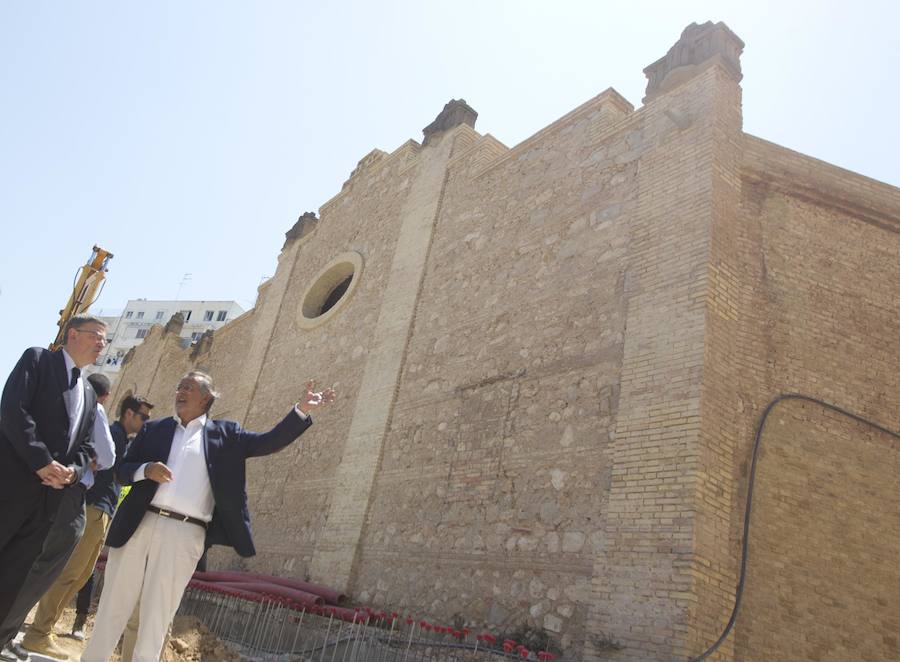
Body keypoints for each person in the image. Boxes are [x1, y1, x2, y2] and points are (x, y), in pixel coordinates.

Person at [81, 371, 336, 662]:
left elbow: (268, 442)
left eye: (187, 386)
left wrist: (302, 410)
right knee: (114, 604)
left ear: (206, 397)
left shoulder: (226, 435)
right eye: (178, 385)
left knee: (158, 614)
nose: (179, 390)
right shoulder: (154, 430)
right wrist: (145, 470)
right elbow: (120, 469)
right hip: (138, 524)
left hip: (185, 533)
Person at [0, 316, 106, 658]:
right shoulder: (38, 361)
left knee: (13, 578)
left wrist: (72, 474)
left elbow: (88, 448)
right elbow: (14, 412)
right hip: (11, 489)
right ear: (72, 334)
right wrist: (41, 461)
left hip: (47, 504)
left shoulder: (89, 393)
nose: (102, 344)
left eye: (105, 340)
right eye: (96, 337)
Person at [18, 392, 154, 659]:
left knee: (80, 577)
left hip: (101, 512)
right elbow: (102, 465)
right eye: (143, 416)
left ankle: (45, 628)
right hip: (92, 508)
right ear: (128, 414)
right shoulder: (113, 435)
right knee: (69, 573)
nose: (145, 422)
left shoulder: (122, 439)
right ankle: (38, 632)